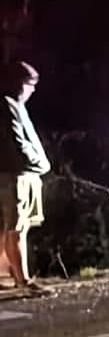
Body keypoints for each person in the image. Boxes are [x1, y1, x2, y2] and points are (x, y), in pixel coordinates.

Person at [0, 61, 51, 293]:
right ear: (17, 83)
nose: (32, 89)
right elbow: (17, 144)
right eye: (29, 84)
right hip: (16, 176)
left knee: (10, 227)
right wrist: (40, 163)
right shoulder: (7, 105)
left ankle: (5, 275)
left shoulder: (16, 105)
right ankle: (23, 280)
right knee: (16, 227)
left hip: (21, 174)